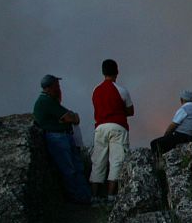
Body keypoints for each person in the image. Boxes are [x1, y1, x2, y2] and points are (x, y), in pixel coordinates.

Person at [32, 74, 91, 204]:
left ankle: (85, 196)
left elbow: (67, 115)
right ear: (49, 87)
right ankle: (79, 197)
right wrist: (72, 116)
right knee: (69, 168)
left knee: (75, 166)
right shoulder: (46, 101)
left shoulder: (49, 101)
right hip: (58, 138)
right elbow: (71, 118)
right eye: (56, 86)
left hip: (62, 137)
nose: (58, 88)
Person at [90, 59, 134, 202]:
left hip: (100, 127)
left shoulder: (95, 90)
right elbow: (130, 111)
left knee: (98, 160)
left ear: (103, 72)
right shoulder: (122, 90)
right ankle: (111, 196)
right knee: (117, 160)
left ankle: (95, 196)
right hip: (118, 127)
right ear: (117, 72)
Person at [150, 90, 192, 156]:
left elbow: (173, 125)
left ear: (182, 100)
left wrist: (166, 136)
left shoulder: (184, 109)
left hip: (182, 136)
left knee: (154, 143)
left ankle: (159, 162)